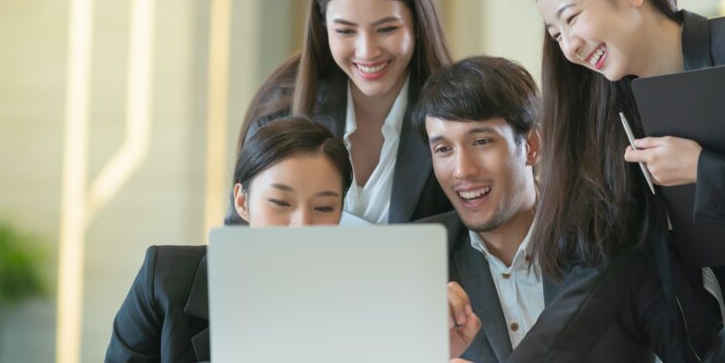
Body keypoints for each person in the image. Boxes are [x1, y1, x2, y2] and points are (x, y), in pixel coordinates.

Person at [522, 0, 725, 362]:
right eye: (557, 35)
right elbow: (606, 265)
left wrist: (703, 171)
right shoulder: (613, 117)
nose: (570, 48)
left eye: (572, 18)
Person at [105, 117, 474, 362]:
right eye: (280, 203)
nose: (301, 225)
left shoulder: (367, 302)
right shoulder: (166, 279)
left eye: (325, 208)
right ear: (242, 201)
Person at [417, 56, 655, 363]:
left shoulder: (610, 236)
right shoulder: (421, 265)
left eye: (481, 141)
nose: (462, 170)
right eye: (444, 149)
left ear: (531, 146)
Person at [230, 0, 454, 225]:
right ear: (324, 29)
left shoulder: (454, 116)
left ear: (418, 21)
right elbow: (237, 234)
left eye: (386, 29)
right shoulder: (279, 106)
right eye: (346, 31)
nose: (367, 51)